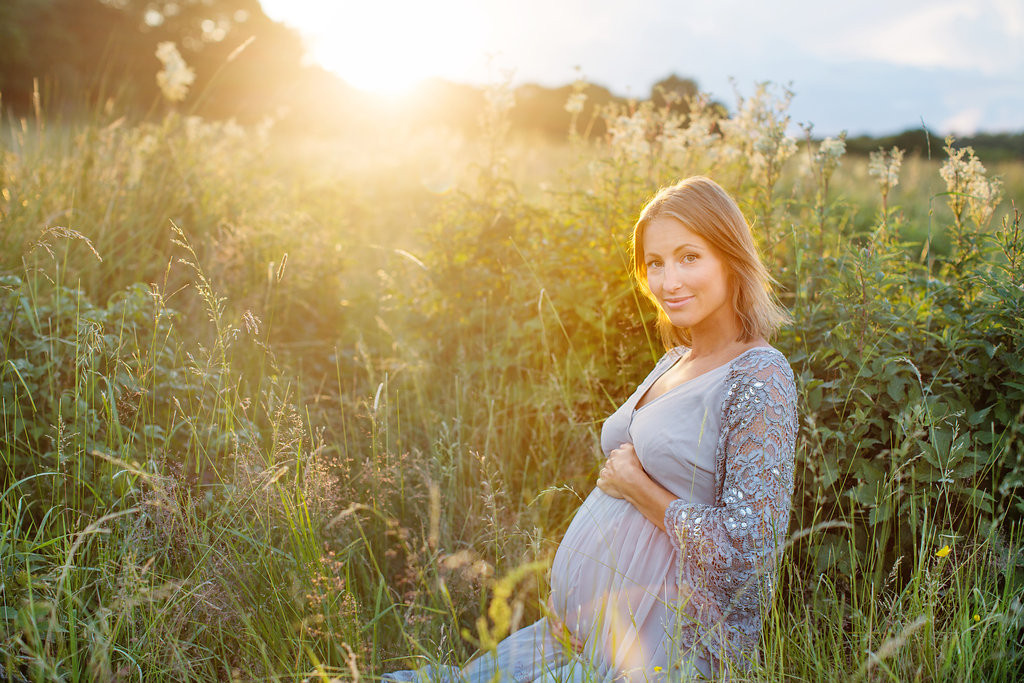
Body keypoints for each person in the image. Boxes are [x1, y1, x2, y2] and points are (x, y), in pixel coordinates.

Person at [383, 176, 798, 681]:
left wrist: (638, 489)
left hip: (657, 651)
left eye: (690, 257)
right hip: (574, 633)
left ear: (730, 257)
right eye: (656, 263)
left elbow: (748, 552)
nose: (669, 282)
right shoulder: (673, 360)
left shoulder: (760, 374)